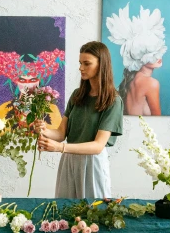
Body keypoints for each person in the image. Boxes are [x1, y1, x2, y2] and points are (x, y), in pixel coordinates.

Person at [36, 42, 123, 199]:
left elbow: (98, 146)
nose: (81, 68)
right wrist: (44, 130)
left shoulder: (113, 101)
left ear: (101, 65)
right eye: (80, 63)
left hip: (93, 163)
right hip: (69, 160)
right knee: (65, 211)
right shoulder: (77, 95)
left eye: (86, 63)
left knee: (93, 213)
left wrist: (60, 147)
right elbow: (61, 133)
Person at [105, 3, 168, 116]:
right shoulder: (151, 83)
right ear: (139, 58)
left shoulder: (130, 81)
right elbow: (158, 120)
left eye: (158, 51)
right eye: (151, 53)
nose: (158, 57)